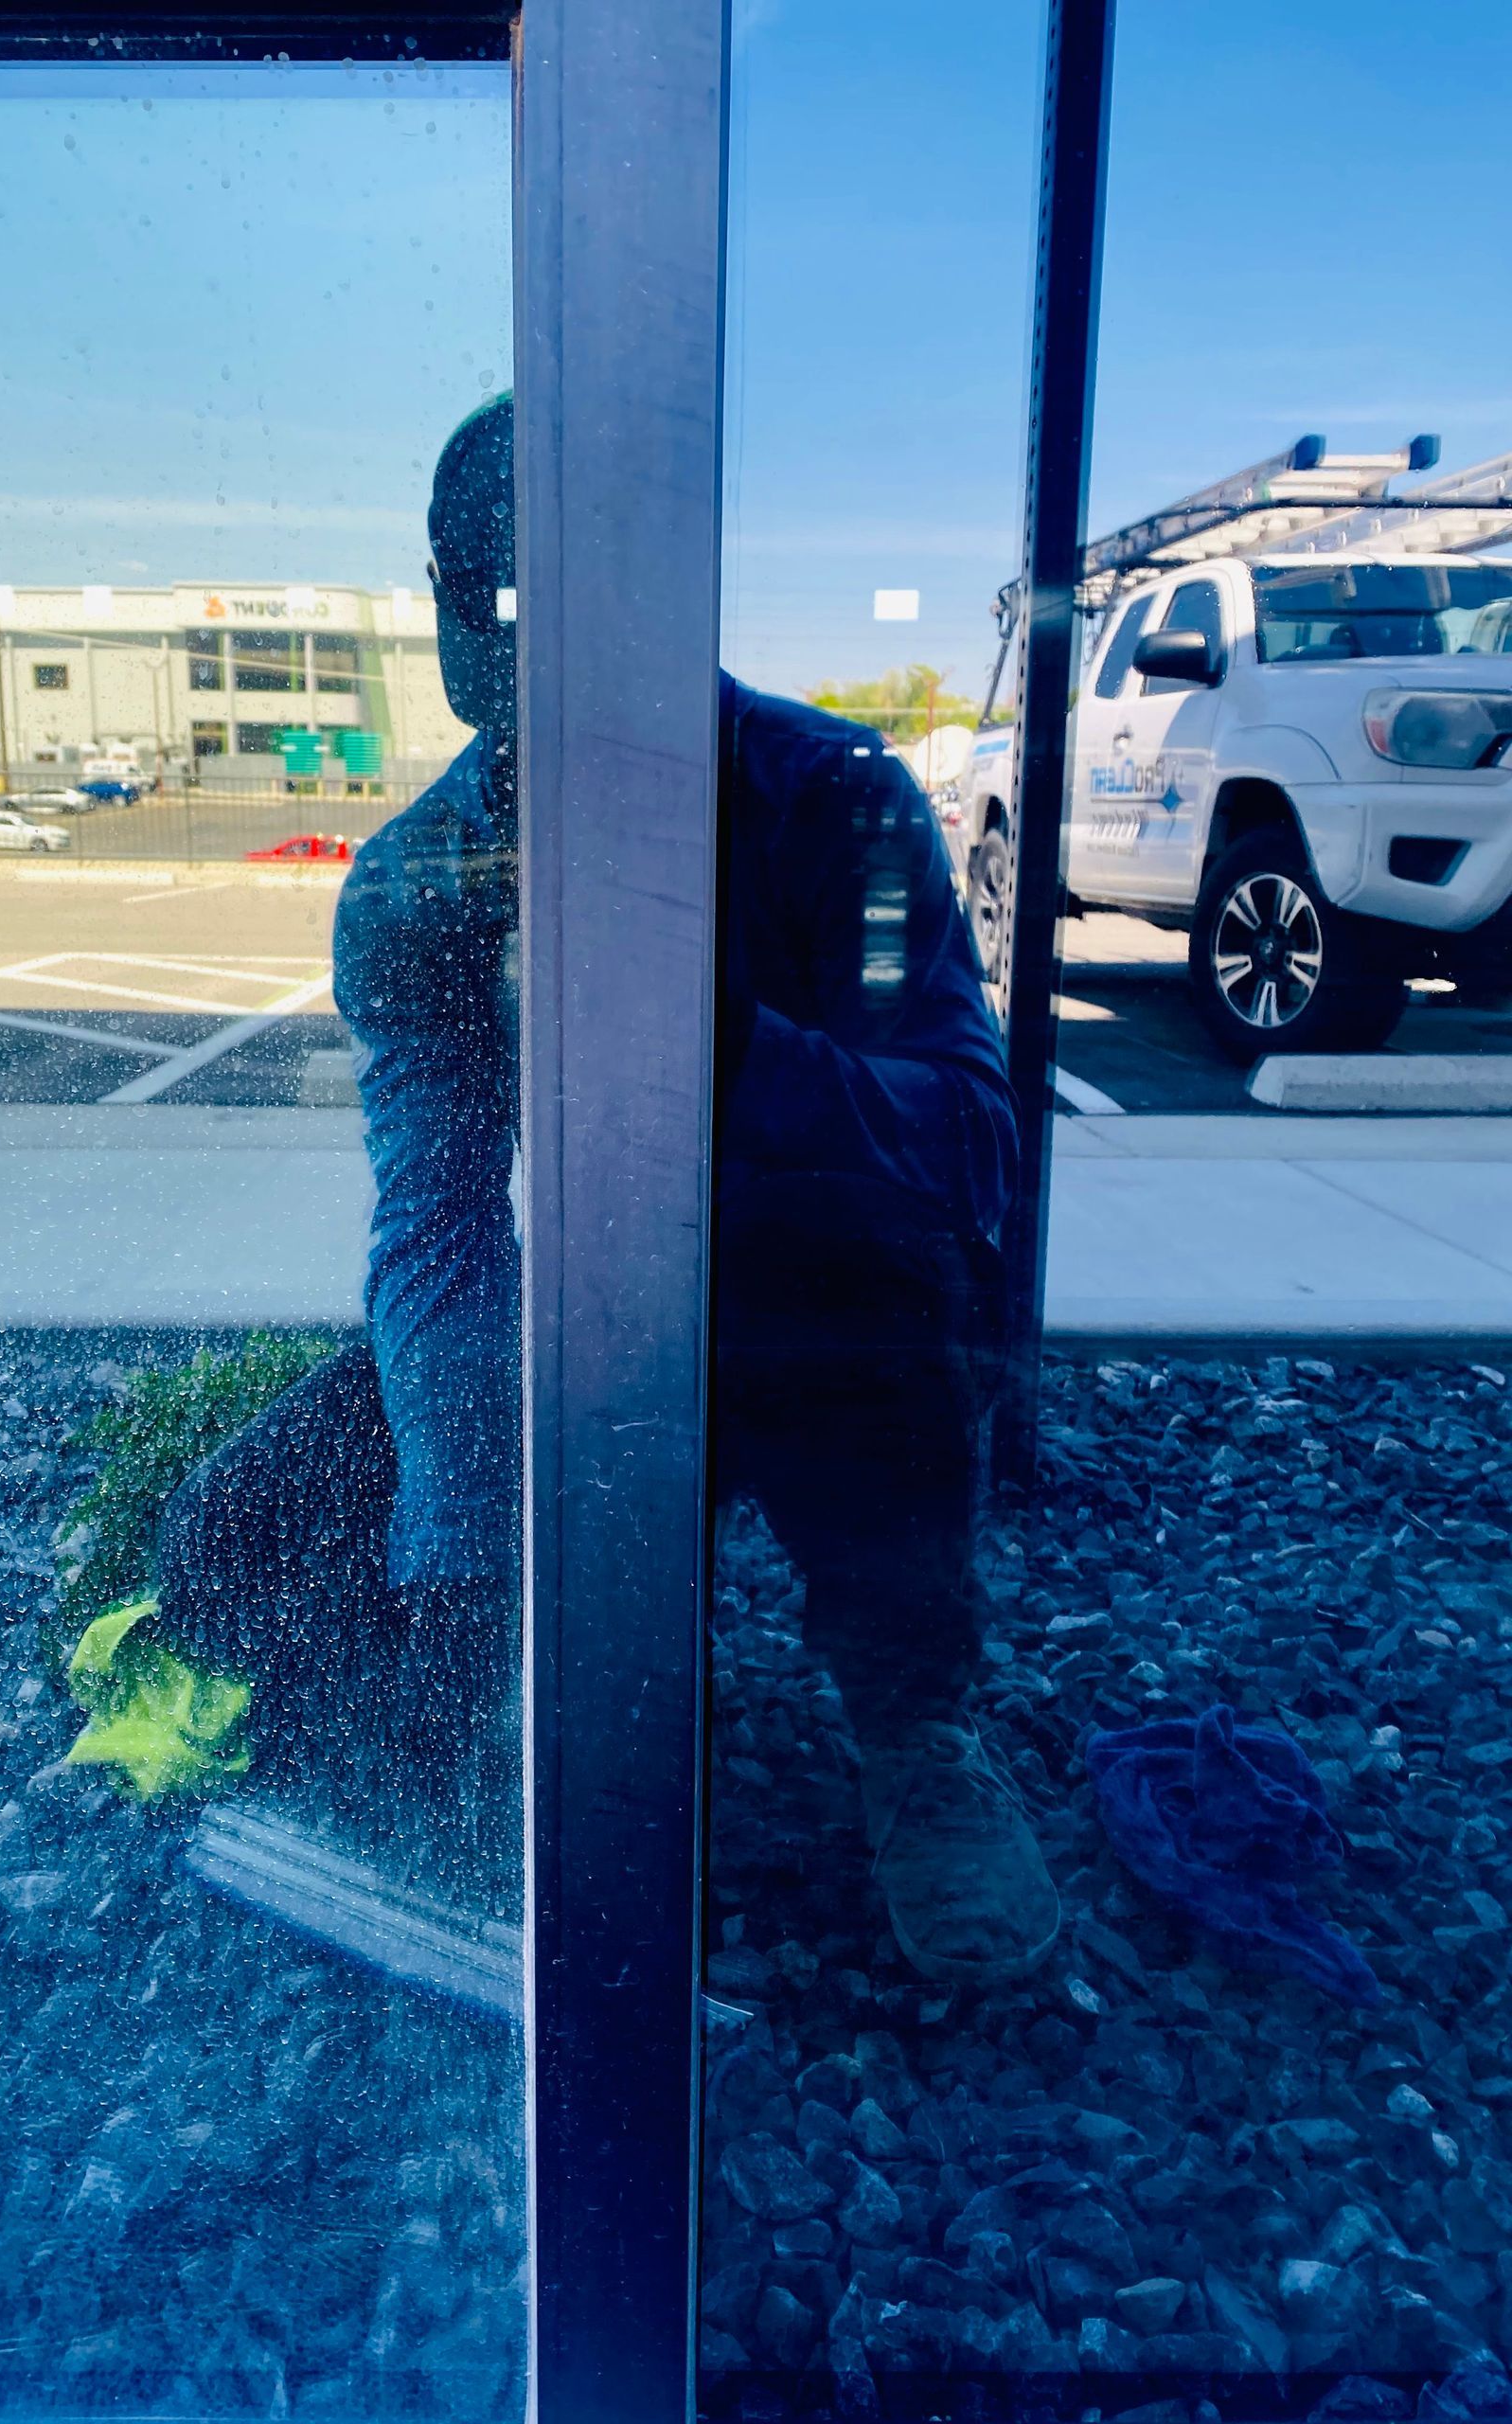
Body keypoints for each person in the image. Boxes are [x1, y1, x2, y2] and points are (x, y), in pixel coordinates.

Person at [139, 392, 1058, 1985]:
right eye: (487, 597)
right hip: (592, 1319)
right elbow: (434, 1234)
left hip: (830, 1299)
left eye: (574, 592)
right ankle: (560, 1662)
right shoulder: (417, 887)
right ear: (441, 623)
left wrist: (711, 1041)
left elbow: (967, 1150)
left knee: (901, 1329)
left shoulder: (836, 802)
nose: (528, 640)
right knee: (220, 1550)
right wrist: (471, 1551)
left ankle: (917, 1724)